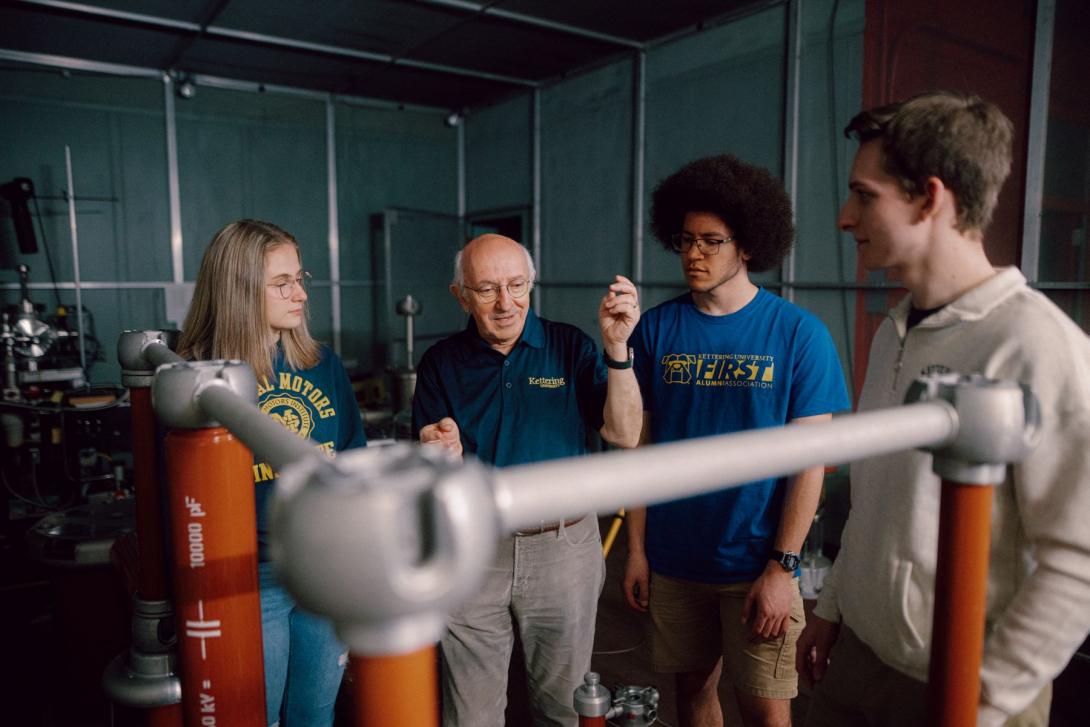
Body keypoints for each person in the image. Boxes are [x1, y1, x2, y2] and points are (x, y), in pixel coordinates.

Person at [797, 91, 1090, 727]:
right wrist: (833, 609)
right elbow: (876, 499)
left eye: (865, 195)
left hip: (962, 683)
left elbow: (1079, 561)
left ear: (930, 199)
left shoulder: (1038, 345)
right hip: (858, 660)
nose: (846, 217)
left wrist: (978, 701)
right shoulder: (893, 333)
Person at [621, 154, 850, 727]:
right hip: (675, 561)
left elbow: (809, 466)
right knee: (693, 696)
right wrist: (638, 551)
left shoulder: (799, 334)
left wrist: (783, 568)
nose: (693, 254)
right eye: (684, 240)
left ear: (747, 245)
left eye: (711, 241)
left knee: (764, 709)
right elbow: (641, 449)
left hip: (756, 563)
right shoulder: (656, 329)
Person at [412, 233, 642, 726]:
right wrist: (438, 449)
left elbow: (625, 432)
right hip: (474, 548)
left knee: (563, 708)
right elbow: (430, 463)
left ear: (532, 283)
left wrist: (617, 350)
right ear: (461, 294)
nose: (505, 303)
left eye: (517, 285)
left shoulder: (570, 347)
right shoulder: (441, 362)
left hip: (562, 548)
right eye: (487, 289)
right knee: (471, 715)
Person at [177, 219, 366, 727]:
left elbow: (351, 455)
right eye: (282, 282)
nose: (300, 293)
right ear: (238, 288)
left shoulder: (322, 363)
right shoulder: (196, 378)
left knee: (315, 714)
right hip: (247, 578)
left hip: (321, 568)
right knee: (252, 716)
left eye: (300, 278)